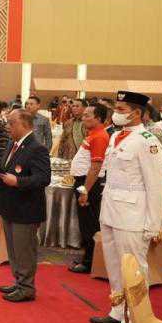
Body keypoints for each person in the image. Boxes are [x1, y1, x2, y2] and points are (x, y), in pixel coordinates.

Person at [90, 91, 162, 323]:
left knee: (134, 269)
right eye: (116, 109)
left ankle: (134, 319)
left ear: (137, 113)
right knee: (114, 265)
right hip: (111, 210)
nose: (116, 113)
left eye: (121, 110)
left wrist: (153, 224)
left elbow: (156, 185)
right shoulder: (116, 136)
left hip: (133, 215)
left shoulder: (147, 141)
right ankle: (117, 309)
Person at [0, 109, 51, 302]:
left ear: (25, 124)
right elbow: (6, 169)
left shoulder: (37, 148)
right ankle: (19, 281)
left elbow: (43, 178)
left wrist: (18, 181)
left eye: (11, 123)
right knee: (13, 249)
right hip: (10, 205)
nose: (8, 127)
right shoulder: (12, 144)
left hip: (26, 209)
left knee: (24, 250)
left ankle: (27, 287)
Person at [68, 103, 110, 274]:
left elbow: (95, 167)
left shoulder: (99, 136)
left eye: (87, 115)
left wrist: (84, 190)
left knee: (89, 224)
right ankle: (88, 257)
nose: (83, 118)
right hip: (84, 182)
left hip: (88, 184)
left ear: (98, 118)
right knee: (85, 221)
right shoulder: (93, 134)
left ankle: (89, 261)